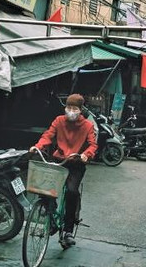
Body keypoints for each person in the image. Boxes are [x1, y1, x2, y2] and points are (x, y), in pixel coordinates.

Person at [29, 94, 97, 247]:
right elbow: (48, 135)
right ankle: (51, 216)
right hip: (59, 160)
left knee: (72, 191)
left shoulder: (87, 126)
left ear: (80, 110)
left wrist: (86, 154)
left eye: (74, 108)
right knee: (45, 187)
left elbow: (93, 144)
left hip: (76, 163)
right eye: (69, 108)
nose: (71, 111)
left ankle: (68, 230)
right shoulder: (59, 121)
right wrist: (38, 146)